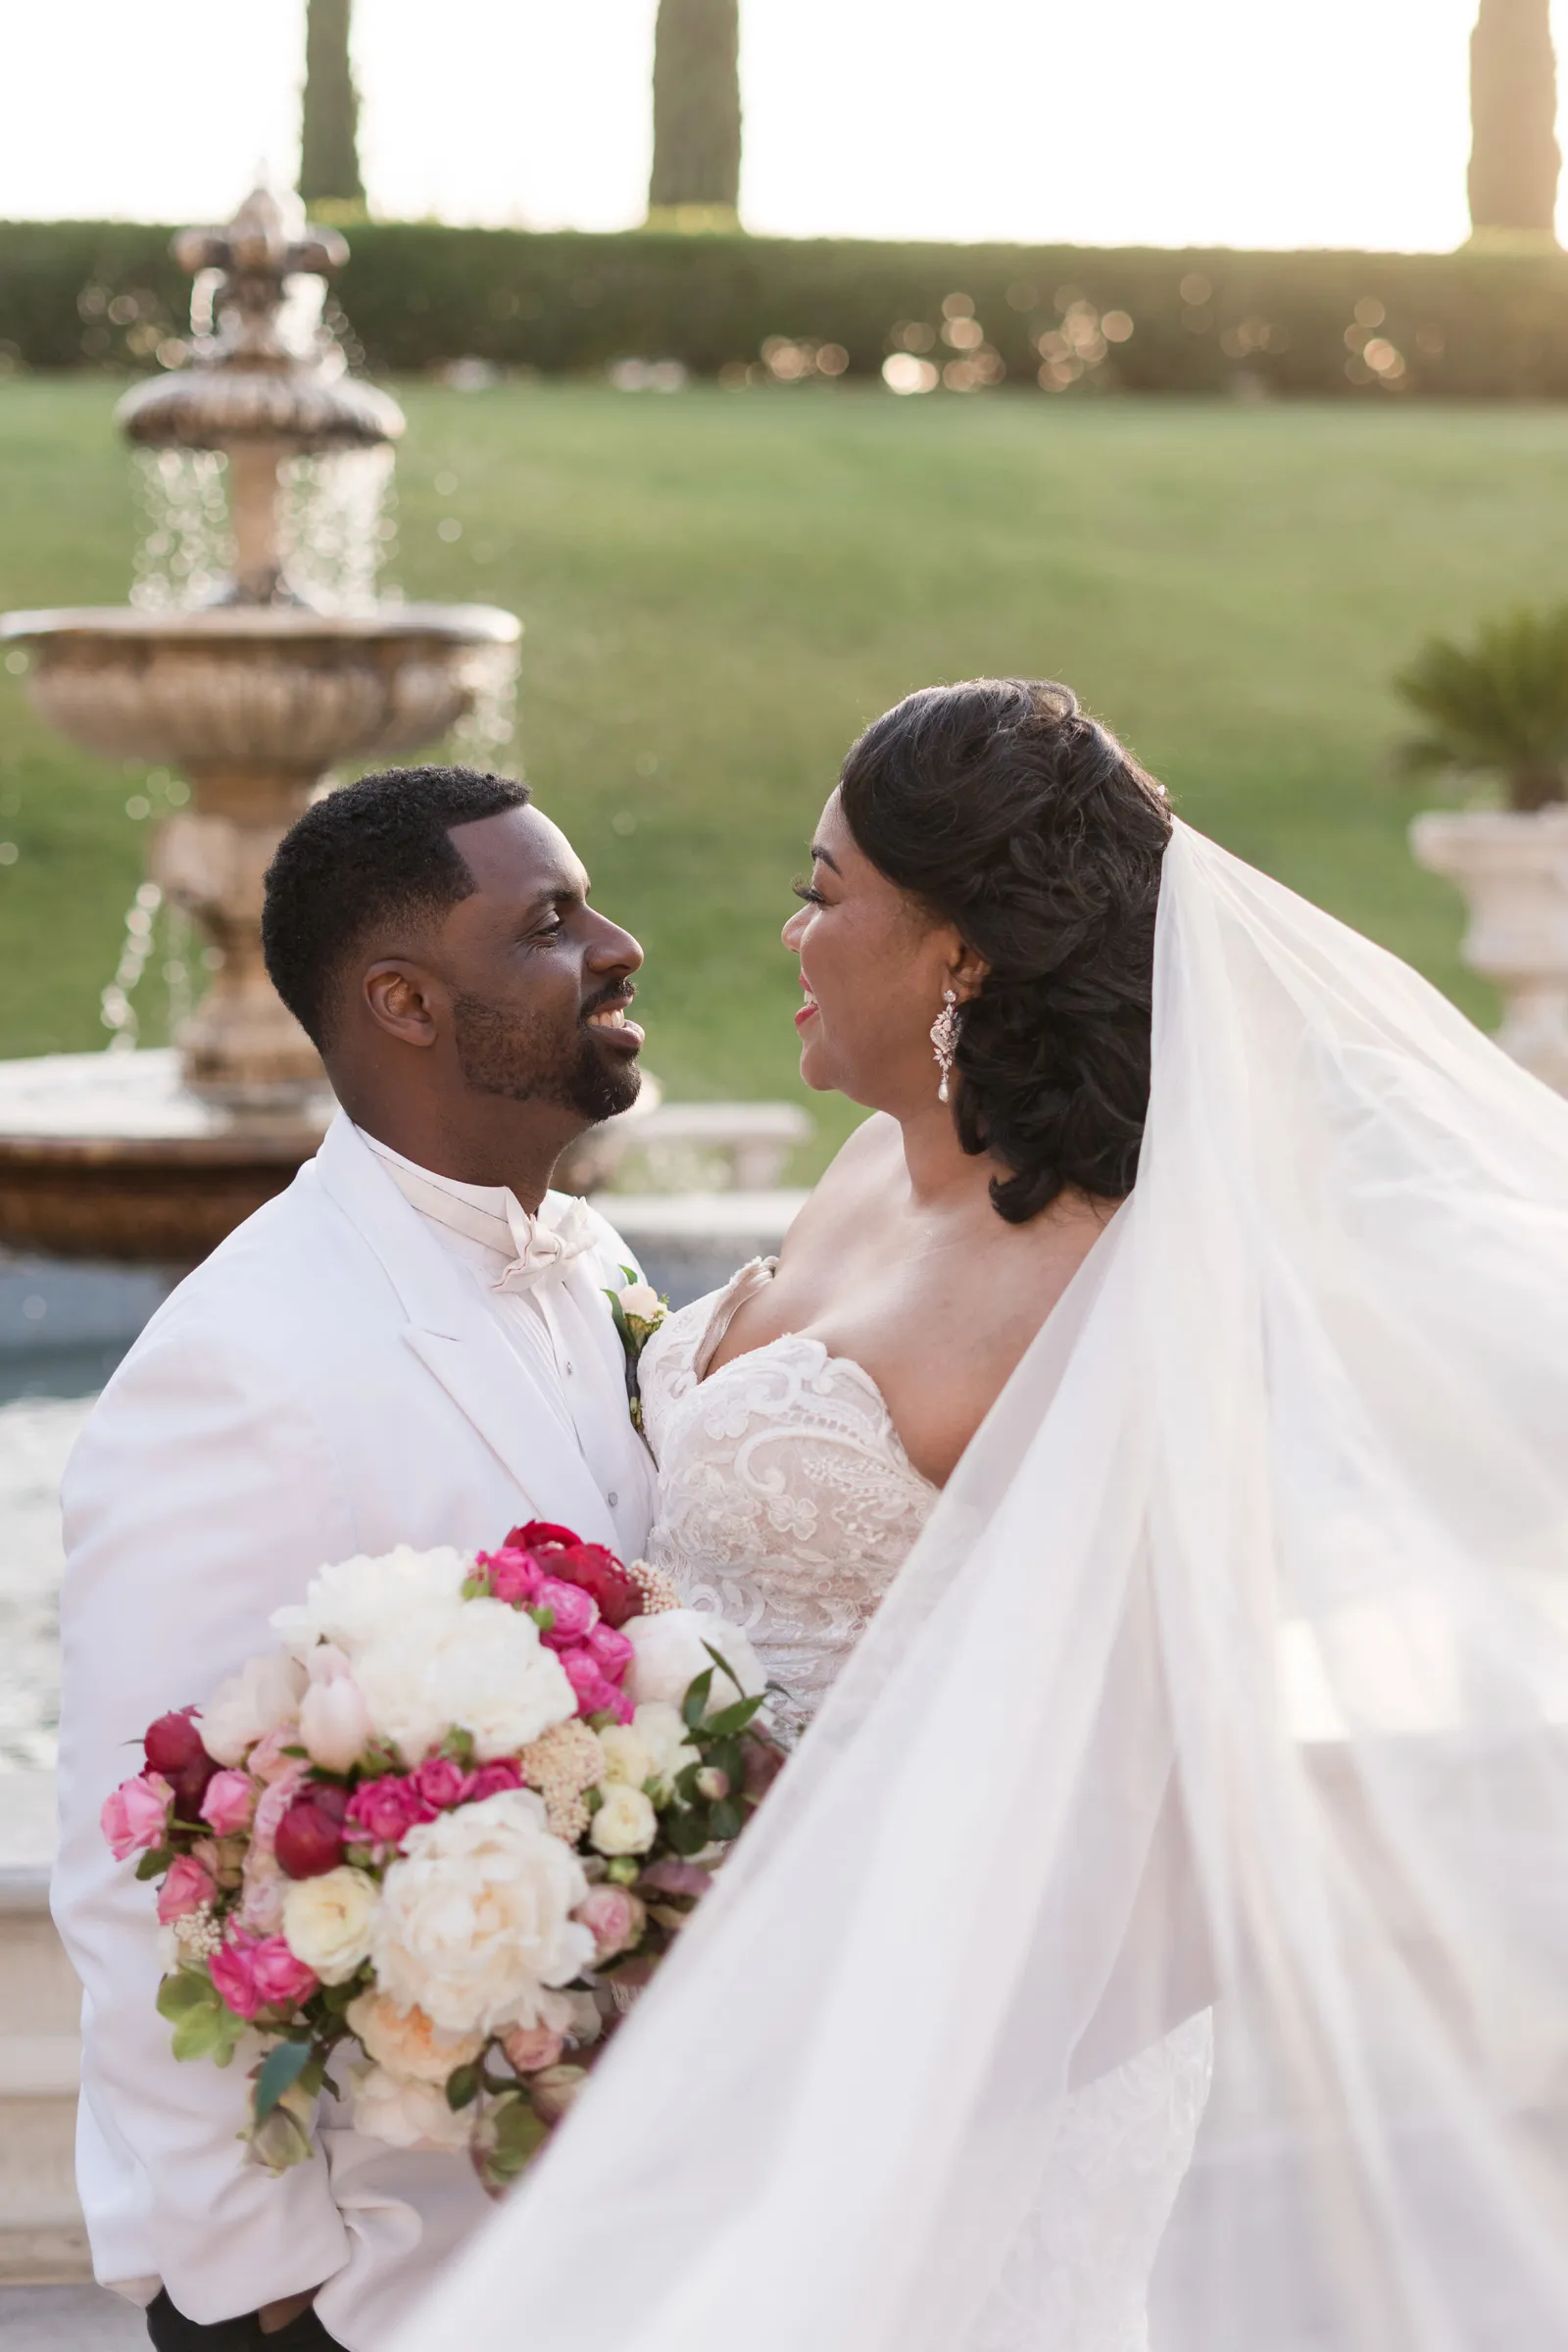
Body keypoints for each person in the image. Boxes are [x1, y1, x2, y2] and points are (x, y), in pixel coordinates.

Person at [401, 683, 1568, 2352]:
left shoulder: (1110, 1283)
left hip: (943, 2088)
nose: (790, 931)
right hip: (707, 2009)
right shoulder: (870, 1166)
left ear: (956, 951)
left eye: (825, 891)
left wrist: (861, 2065)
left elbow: (1183, 1823)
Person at [52, 766, 659, 2352]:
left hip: (591, 2242)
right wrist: (266, 2282)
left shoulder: (592, 1266)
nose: (618, 944)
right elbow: (135, 1866)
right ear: (403, 1000)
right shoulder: (244, 1363)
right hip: (366, 2278)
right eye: (549, 923)